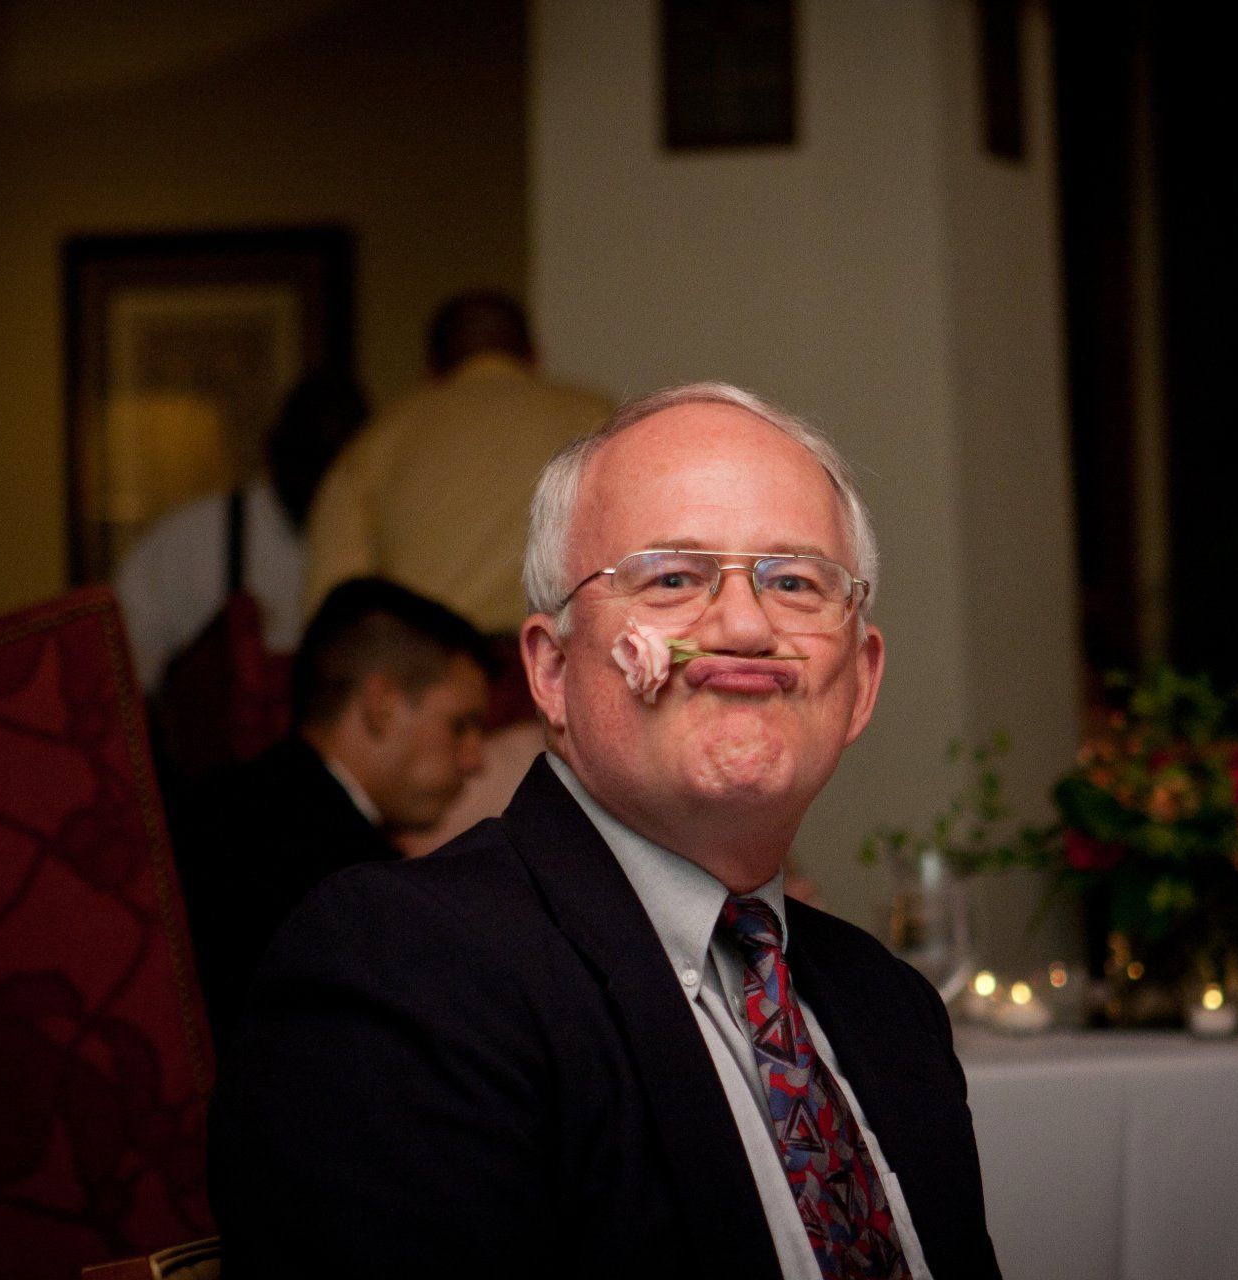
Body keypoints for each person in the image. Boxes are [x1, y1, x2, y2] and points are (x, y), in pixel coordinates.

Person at [210, 383, 1002, 1277]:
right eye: (672, 578)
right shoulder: (403, 969)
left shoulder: (891, 1009)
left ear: (859, 682)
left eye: (793, 582)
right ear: (551, 672)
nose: (745, 626)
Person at [177, 577, 490, 1045]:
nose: (475, 759)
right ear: (382, 705)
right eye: (460, 725)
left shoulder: (225, 802)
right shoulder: (350, 881)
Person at [302, 290, 612, 633]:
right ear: (535, 357)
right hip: (571, 649)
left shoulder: (375, 445)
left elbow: (336, 609)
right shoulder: (601, 421)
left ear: (431, 369)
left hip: (434, 658)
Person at [117, 371, 369, 695]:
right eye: (311, 460)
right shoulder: (191, 543)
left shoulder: (382, 544)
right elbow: (124, 664)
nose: (325, 484)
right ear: (274, 449)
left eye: (342, 467)